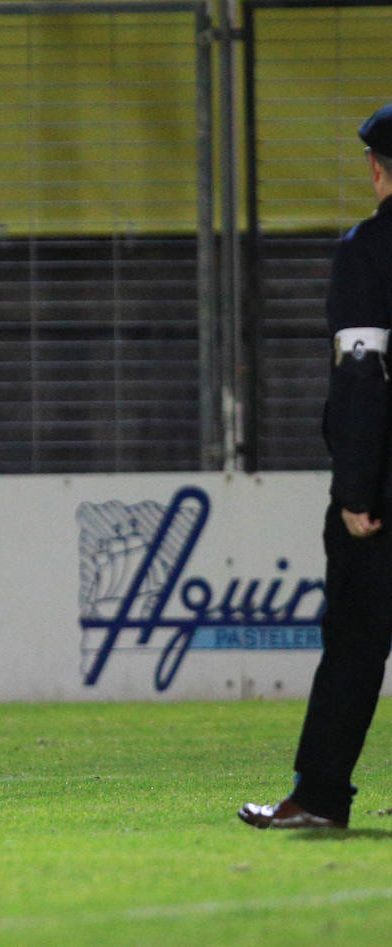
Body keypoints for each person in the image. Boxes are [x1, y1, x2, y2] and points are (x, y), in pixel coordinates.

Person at [239, 104, 392, 831]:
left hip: (385, 488)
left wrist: (356, 487)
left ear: (376, 167)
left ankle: (321, 793)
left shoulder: (368, 249)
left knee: (356, 642)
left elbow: (363, 372)